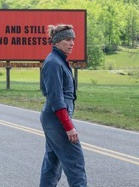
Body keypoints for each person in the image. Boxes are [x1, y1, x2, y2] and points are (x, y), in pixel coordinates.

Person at [39, 24, 87, 187]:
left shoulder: (58, 61)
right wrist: (68, 126)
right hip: (57, 119)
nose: (72, 43)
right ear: (57, 42)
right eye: (68, 39)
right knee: (75, 163)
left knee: (52, 162)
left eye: (73, 39)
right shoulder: (53, 63)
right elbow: (56, 99)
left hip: (54, 119)